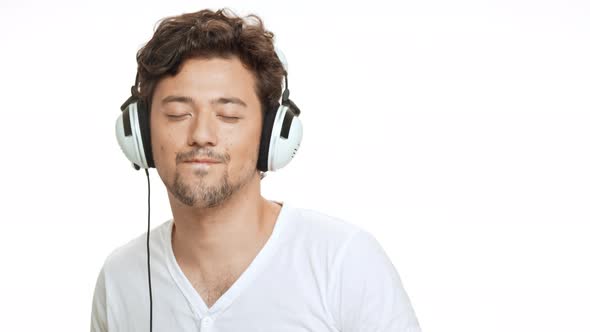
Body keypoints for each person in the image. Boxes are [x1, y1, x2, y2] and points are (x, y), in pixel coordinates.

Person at [91, 8, 421, 332]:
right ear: (141, 133)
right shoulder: (120, 277)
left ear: (271, 136)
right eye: (177, 114)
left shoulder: (344, 263)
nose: (201, 135)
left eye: (229, 116)